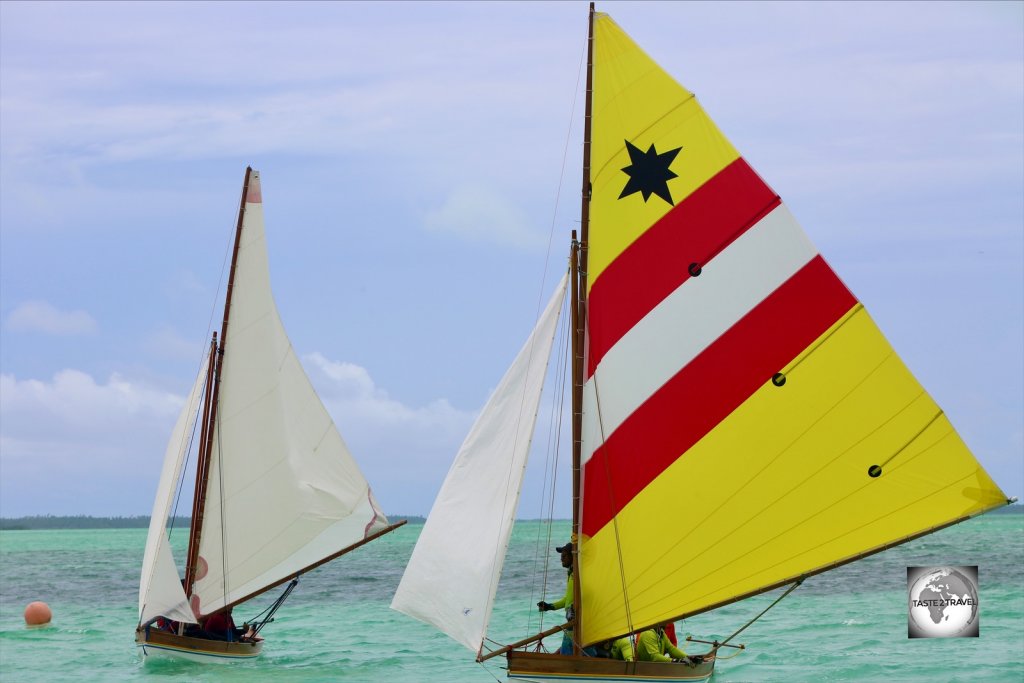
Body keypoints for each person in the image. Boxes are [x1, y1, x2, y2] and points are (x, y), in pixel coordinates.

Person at [537, 541, 594, 656]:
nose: (561, 559)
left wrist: (575, 609)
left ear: (573, 556)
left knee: (571, 651)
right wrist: (550, 606)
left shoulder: (580, 574)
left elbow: (589, 594)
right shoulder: (572, 574)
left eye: (564, 556)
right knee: (573, 649)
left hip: (577, 621)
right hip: (571, 620)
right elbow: (567, 599)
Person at [636, 621, 703, 665]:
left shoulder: (661, 632)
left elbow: (671, 649)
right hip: (644, 667)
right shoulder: (648, 633)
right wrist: (675, 661)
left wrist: (688, 657)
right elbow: (655, 657)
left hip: (655, 667)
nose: (668, 624)